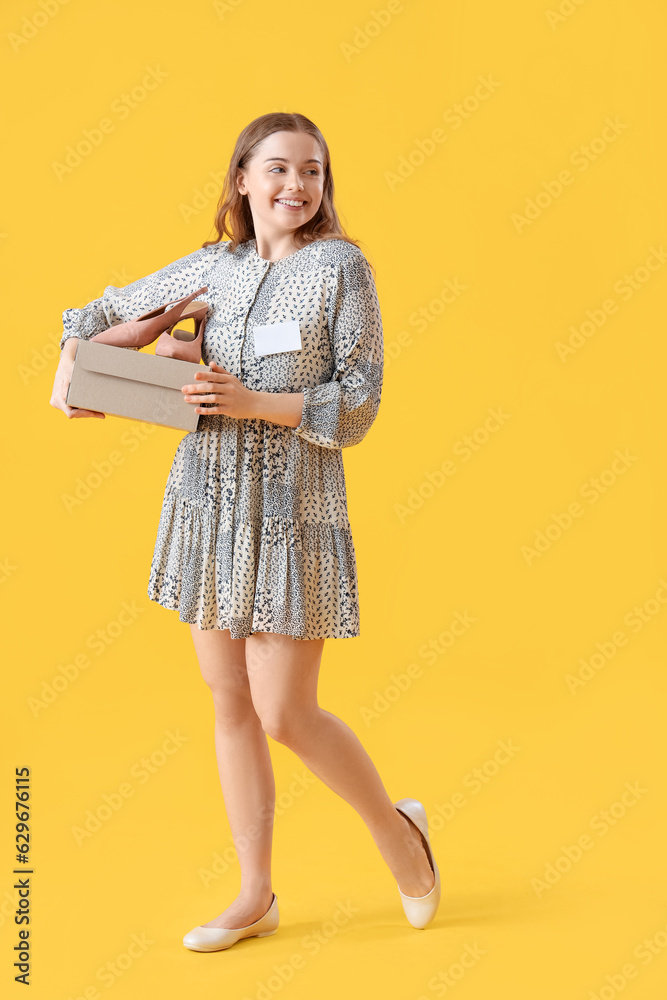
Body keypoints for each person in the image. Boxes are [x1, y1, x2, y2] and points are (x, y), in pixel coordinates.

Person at [49, 112, 440, 951]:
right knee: (228, 700)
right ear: (241, 179)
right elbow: (89, 331)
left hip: (293, 505)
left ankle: (398, 834)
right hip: (208, 500)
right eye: (277, 169)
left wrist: (251, 401)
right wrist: (158, 342)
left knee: (284, 713)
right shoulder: (211, 269)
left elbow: (361, 399)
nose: (295, 186)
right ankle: (255, 894)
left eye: (311, 171)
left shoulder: (341, 269)